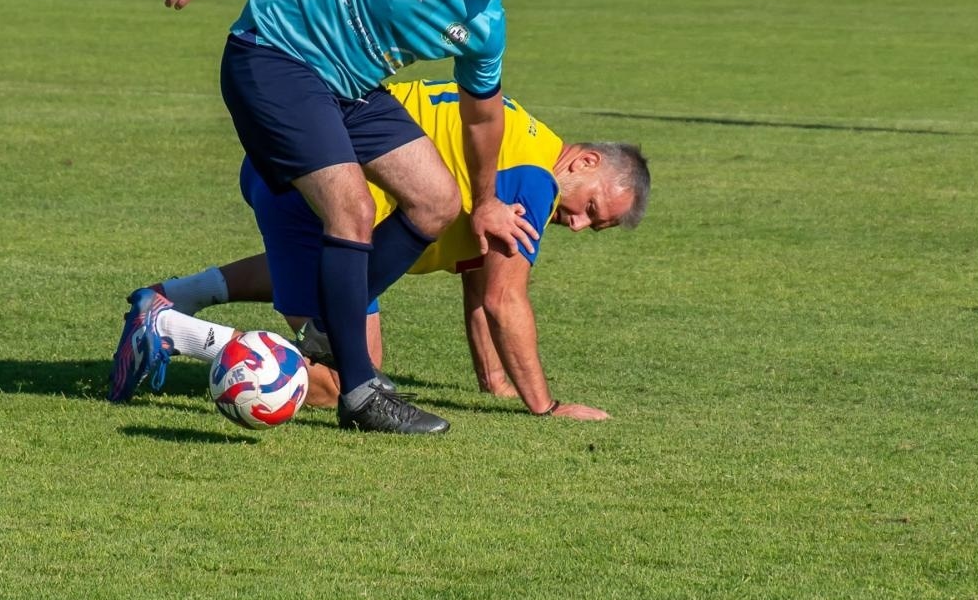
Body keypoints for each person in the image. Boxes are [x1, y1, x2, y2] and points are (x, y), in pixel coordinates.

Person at [136, 0, 562, 434]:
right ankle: (360, 396)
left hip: (351, 88)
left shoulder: (486, 23)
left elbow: (483, 116)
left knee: (437, 201)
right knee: (353, 208)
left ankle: (324, 331)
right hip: (275, 54)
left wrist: (484, 201)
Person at [109, 79, 650, 421]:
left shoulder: (518, 142)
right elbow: (504, 302)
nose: (576, 224)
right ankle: (173, 331)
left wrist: (496, 383)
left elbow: (480, 284)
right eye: (591, 209)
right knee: (351, 384)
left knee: (319, 284)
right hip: (325, 197)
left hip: (288, 166)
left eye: (592, 227)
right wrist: (545, 406)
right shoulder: (535, 179)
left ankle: (169, 297)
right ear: (584, 164)